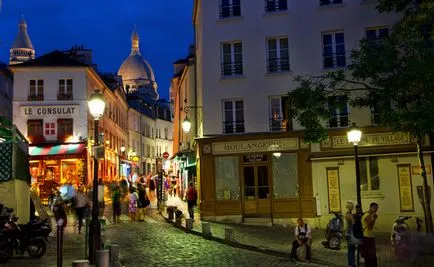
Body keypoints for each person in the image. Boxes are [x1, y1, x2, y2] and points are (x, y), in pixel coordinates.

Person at [361, 202, 378, 267]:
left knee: (371, 256)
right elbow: (369, 226)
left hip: (370, 237)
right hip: (367, 238)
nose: (376, 210)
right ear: (371, 207)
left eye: (377, 208)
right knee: (370, 256)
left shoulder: (370, 215)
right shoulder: (367, 215)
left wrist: (374, 218)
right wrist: (374, 219)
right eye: (375, 208)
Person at [345, 201, 356, 267]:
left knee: (350, 249)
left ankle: (350, 264)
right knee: (352, 249)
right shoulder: (350, 214)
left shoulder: (347, 213)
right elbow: (353, 223)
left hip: (347, 233)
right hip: (351, 234)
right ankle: (352, 264)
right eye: (352, 206)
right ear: (351, 207)